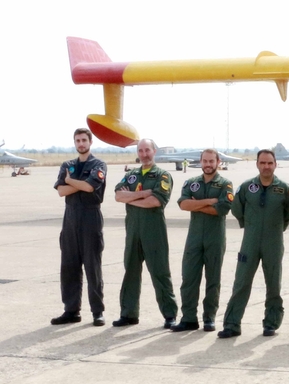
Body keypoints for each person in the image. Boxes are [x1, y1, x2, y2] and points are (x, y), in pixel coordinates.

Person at [217, 149, 289, 338]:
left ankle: (271, 323)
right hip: (250, 241)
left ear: (275, 164)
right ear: (257, 164)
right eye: (262, 163)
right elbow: (237, 208)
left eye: (269, 163)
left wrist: (277, 227)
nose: (266, 166)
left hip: (273, 242)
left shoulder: (284, 189)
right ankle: (232, 324)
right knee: (241, 282)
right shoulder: (246, 187)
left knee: (273, 283)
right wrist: (249, 224)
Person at [113, 138, 179, 328]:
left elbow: (156, 201)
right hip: (133, 230)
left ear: (154, 151)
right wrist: (143, 193)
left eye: (147, 150)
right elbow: (118, 195)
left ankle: (170, 314)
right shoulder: (131, 174)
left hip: (153, 230)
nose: (144, 154)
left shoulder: (162, 176)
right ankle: (128, 314)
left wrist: (130, 198)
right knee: (131, 271)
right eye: (140, 150)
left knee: (160, 271)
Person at [171, 149, 233, 333]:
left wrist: (196, 205)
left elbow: (221, 209)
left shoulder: (225, 184)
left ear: (218, 162)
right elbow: (183, 204)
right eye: (205, 161)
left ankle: (209, 318)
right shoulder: (192, 183)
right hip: (194, 238)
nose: (208, 164)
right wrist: (209, 201)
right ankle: (189, 318)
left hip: (215, 237)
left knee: (213, 279)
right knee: (189, 278)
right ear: (200, 161)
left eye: (211, 161)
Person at [51, 128, 107, 326]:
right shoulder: (68, 165)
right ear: (74, 143)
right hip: (70, 218)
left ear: (90, 142)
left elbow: (91, 187)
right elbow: (61, 191)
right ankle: (71, 310)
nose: (81, 143)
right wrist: (78, 183)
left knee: (93, 266)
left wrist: (70, 182)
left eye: (84, 140)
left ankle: (97, 312)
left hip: (90, 216)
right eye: (78, 140)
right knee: (69, 266)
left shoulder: (98, 164)